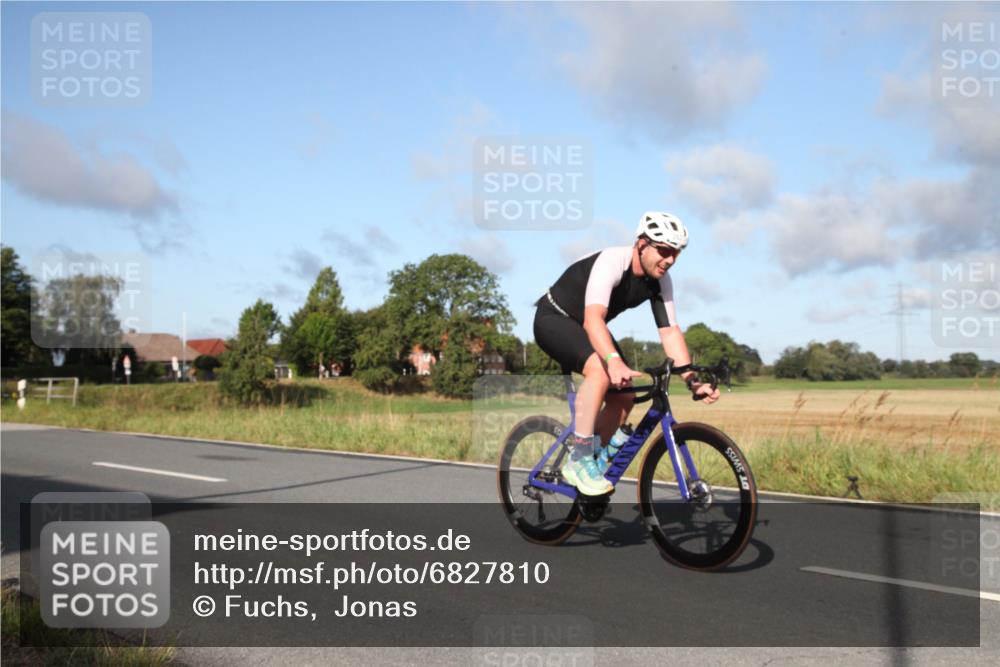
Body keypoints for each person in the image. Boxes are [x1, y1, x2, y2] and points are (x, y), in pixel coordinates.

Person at [533, 212, 721, 496]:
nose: (670, 260)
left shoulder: (661, 280)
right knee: (600, 371)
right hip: (555, 319)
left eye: (677, 253)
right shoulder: (612, 262)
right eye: (665, 250)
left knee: (625, 395)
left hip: (587, 326)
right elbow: (594, 319)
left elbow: (669, 332)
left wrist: (692, 380)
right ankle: (580, 460)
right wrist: (613, 361)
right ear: (642, 244)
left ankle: (593, 455)